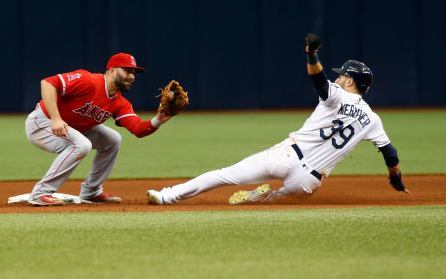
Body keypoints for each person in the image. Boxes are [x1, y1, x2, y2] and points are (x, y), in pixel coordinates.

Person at [147, 33, 409, 205]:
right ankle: (265, 196)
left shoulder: (338, 94)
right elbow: (391, 154)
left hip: (287, 156)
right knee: (280, 199)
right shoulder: (372, 119)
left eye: (342, 75)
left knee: (225, 175)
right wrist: (395, 181)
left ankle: (167, 196)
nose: (338, 77)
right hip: (308, 182)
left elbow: (319, 81)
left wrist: (311, 55)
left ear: (350, 80)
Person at [25, 53, 174, 206]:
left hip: (73, 128)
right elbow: (48, 83)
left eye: (134, 73)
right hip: (43, 122)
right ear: (112, 71)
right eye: (127, 71)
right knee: (82, 144)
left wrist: (158, 120)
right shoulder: (88, 80)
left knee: (113, 139)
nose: (132, 77)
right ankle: (41, 193)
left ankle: (91, 192)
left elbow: (137, 129)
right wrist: (56, 118)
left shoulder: (119, 102)